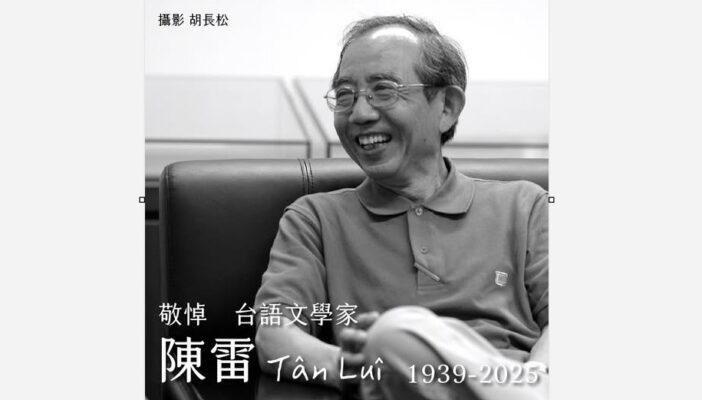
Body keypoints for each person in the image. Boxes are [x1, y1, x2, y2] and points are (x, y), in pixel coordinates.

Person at [254, 15, 548, 400]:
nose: (360, 113)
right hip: (389, 385)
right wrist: (362, 366)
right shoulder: (314, 218)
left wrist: (537, 379)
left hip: (521, 382)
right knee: (392, 335)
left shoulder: (525, 205)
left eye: (384, 90)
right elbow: (275, 336)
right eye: (345, 95)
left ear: (447, 107)